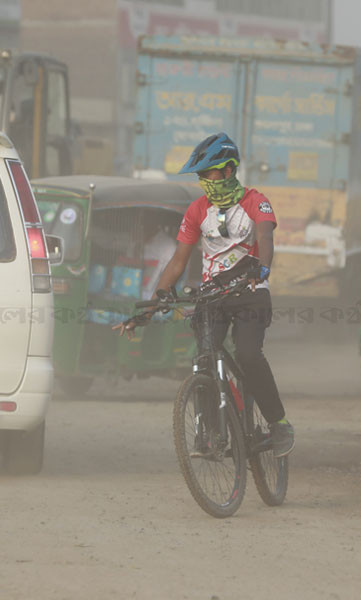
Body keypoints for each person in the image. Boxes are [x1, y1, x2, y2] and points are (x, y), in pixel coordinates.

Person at [120, 133, 294, 457]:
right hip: (213, 297)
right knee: (203, 359)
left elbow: (265, 238)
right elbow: (177, 262)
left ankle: (278, 423)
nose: (203, 181)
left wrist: (262, 268)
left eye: (208, 173)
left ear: (229, 170)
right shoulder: (197, 210)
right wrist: (149, 307)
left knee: (247, 355)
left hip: (251, 292)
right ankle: (211, 436)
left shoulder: (256, 201)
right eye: (199, 175)